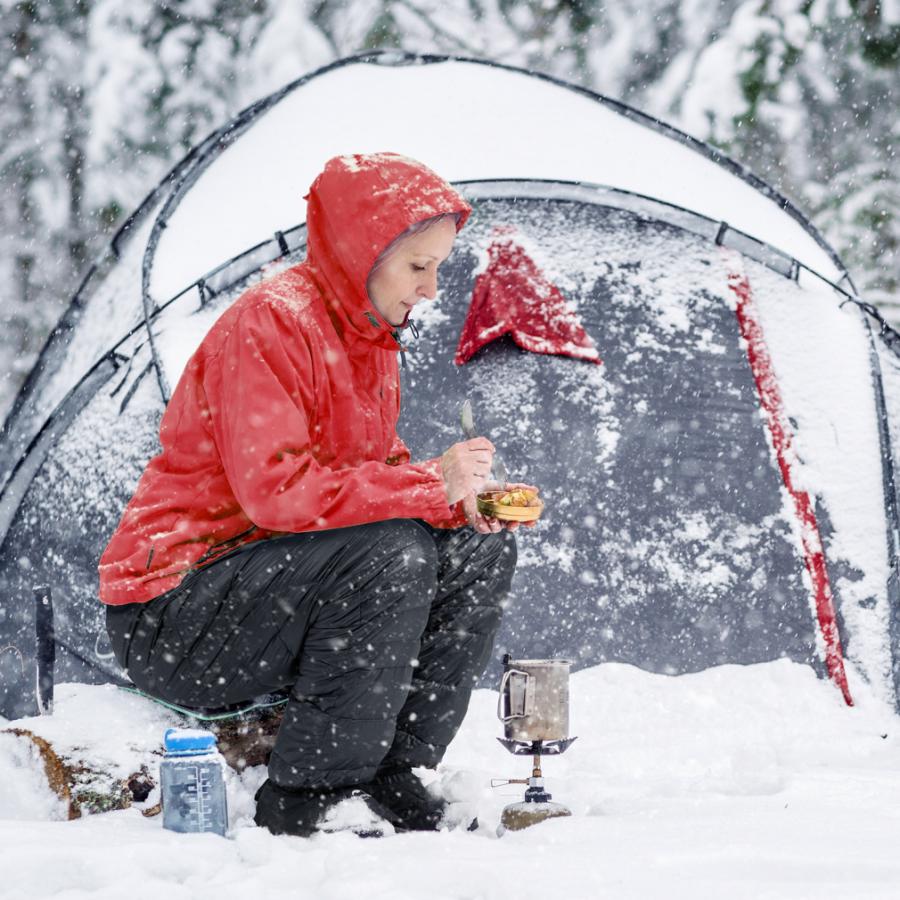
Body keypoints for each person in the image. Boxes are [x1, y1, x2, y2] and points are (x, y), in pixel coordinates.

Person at [99, 152, 532, 837]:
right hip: (175, 614)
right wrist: (426, 485)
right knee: (391, 555)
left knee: (472, 549)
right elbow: (279, 493)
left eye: (438, 268)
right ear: (364, 255)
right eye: (417, 266)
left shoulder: (366, 336)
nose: (430, 290)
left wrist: (456, 499)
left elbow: (369, 472)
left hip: (270, 591)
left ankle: (392, 768)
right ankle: (312, 794)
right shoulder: (271, 324)